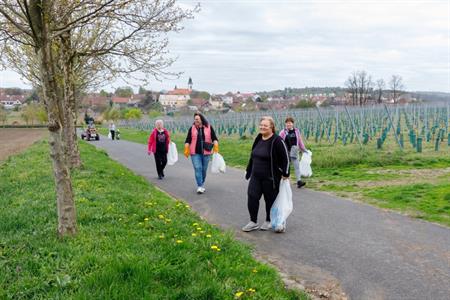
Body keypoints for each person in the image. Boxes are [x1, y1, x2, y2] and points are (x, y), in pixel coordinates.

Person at [243, 116, 290, 232]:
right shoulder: (258, 138)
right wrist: (248, 170)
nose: (262, 127)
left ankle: (269, 220)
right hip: (256, 176)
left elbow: (286, 158)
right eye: (261, 125)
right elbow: (253, 156)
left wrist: (286, 173)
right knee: (252, 196)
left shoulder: (277, 140)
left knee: (270, 200)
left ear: (272, 127)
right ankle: (253, 221)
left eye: (265, 125)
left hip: (271, 177)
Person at [184, 112, 219, 194]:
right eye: (195, 119)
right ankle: (199, 186)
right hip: (195, 152)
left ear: (201, 119)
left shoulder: (209, 127)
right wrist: (186, 148)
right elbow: (188, 140)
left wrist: (216, 147)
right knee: (197, 168)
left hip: (206, 152)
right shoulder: (192, 128)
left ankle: (201, 182)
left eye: (197, 119)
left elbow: (214, 139)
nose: (195, 120)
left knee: (203, 170)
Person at [279, 117, 308, 188]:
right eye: (287, 123)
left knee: (297, 167)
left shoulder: (296, 131)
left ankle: (299, 181)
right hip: (286, 152)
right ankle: (282, 180)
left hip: (295, 152)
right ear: (285, 124)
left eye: (290, 123)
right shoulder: (283, 132)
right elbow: (279, 142)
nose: (289, 124)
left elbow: (300, 141)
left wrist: (304, 149)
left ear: (293, 124)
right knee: (285, 167)